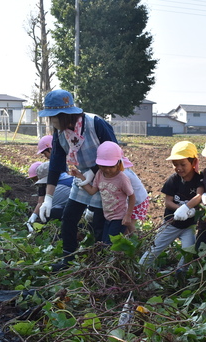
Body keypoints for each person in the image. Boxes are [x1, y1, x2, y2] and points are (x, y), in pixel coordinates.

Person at [37, 89, 118, 270]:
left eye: (53, 117)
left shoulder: (95, 123)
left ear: (64, 115)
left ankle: (99, 264)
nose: (51, 121)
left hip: (105, 177)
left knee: (98, 222)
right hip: (82, 177)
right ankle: (68, 259)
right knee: (69, 217)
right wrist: (48, 199)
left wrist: (94, 170)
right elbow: (56, 164)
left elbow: (114, 152)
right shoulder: (60, 132)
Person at [139, 141, 204, 267]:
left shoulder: (199, 179)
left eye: (183, 164)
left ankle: (180, 274)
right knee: (154, 249)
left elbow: (199, 196)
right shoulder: (173, 179)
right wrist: (180, 209)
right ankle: (139, 271)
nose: (179, 167)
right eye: (175, 164)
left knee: (188, 253)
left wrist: (187, 208)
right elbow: (168, 202)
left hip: (189, 226)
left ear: (193, 162)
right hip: (170, 223)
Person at [70, 141, 135, 245]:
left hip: (119, 217)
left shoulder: (122, 179)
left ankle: (116, 258)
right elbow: (92, 191)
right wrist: (81, 178)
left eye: (111, 166)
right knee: (104, 242)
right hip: (107, 216)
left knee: (109, 245)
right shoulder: (100, 174)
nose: (108, 170)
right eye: (104, 166)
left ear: (118, 163)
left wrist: (128, 215)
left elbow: (132, 196)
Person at [26, 161, 73, 229]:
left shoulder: (57, 190)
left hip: (80, 215)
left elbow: (46, 212)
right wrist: (34, 215)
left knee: (51, 212)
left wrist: (39, 228)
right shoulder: (70, 179)